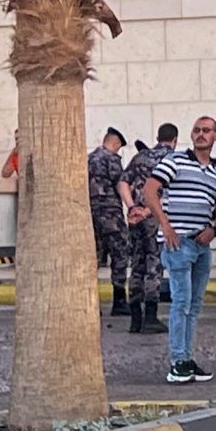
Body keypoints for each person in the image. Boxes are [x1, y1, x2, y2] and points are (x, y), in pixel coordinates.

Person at [148, 115, 216, 385]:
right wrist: (166, 226)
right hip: (178, 243)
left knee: (194, 306)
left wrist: (215, 230)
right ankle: (177, 361)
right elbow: (150, 191)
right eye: (196, 130)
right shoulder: (175, 161)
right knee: (181, 303)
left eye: (206, 131)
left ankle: (186, 357)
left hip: (201, 244)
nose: (200, 135)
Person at [121, 126, 173, 334]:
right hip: (154, 217)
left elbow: (124, 182)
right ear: (175, 140)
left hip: (135, 218)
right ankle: (150, 317)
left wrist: (132, 207)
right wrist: (147, 211)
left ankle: (135, 319)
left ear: (158, 138)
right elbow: (169, 192)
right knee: (154, 265)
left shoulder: (140, 157)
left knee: (137, 264)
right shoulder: (172, 158)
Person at [87, 127, 130, 319]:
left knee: (93, 258)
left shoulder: (88, 158)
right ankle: (119, 300)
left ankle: (91, 303)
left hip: (90, 213)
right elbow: (120, 184)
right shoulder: (111, 159)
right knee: (120, 252)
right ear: (116, 143)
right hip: (110, 213)